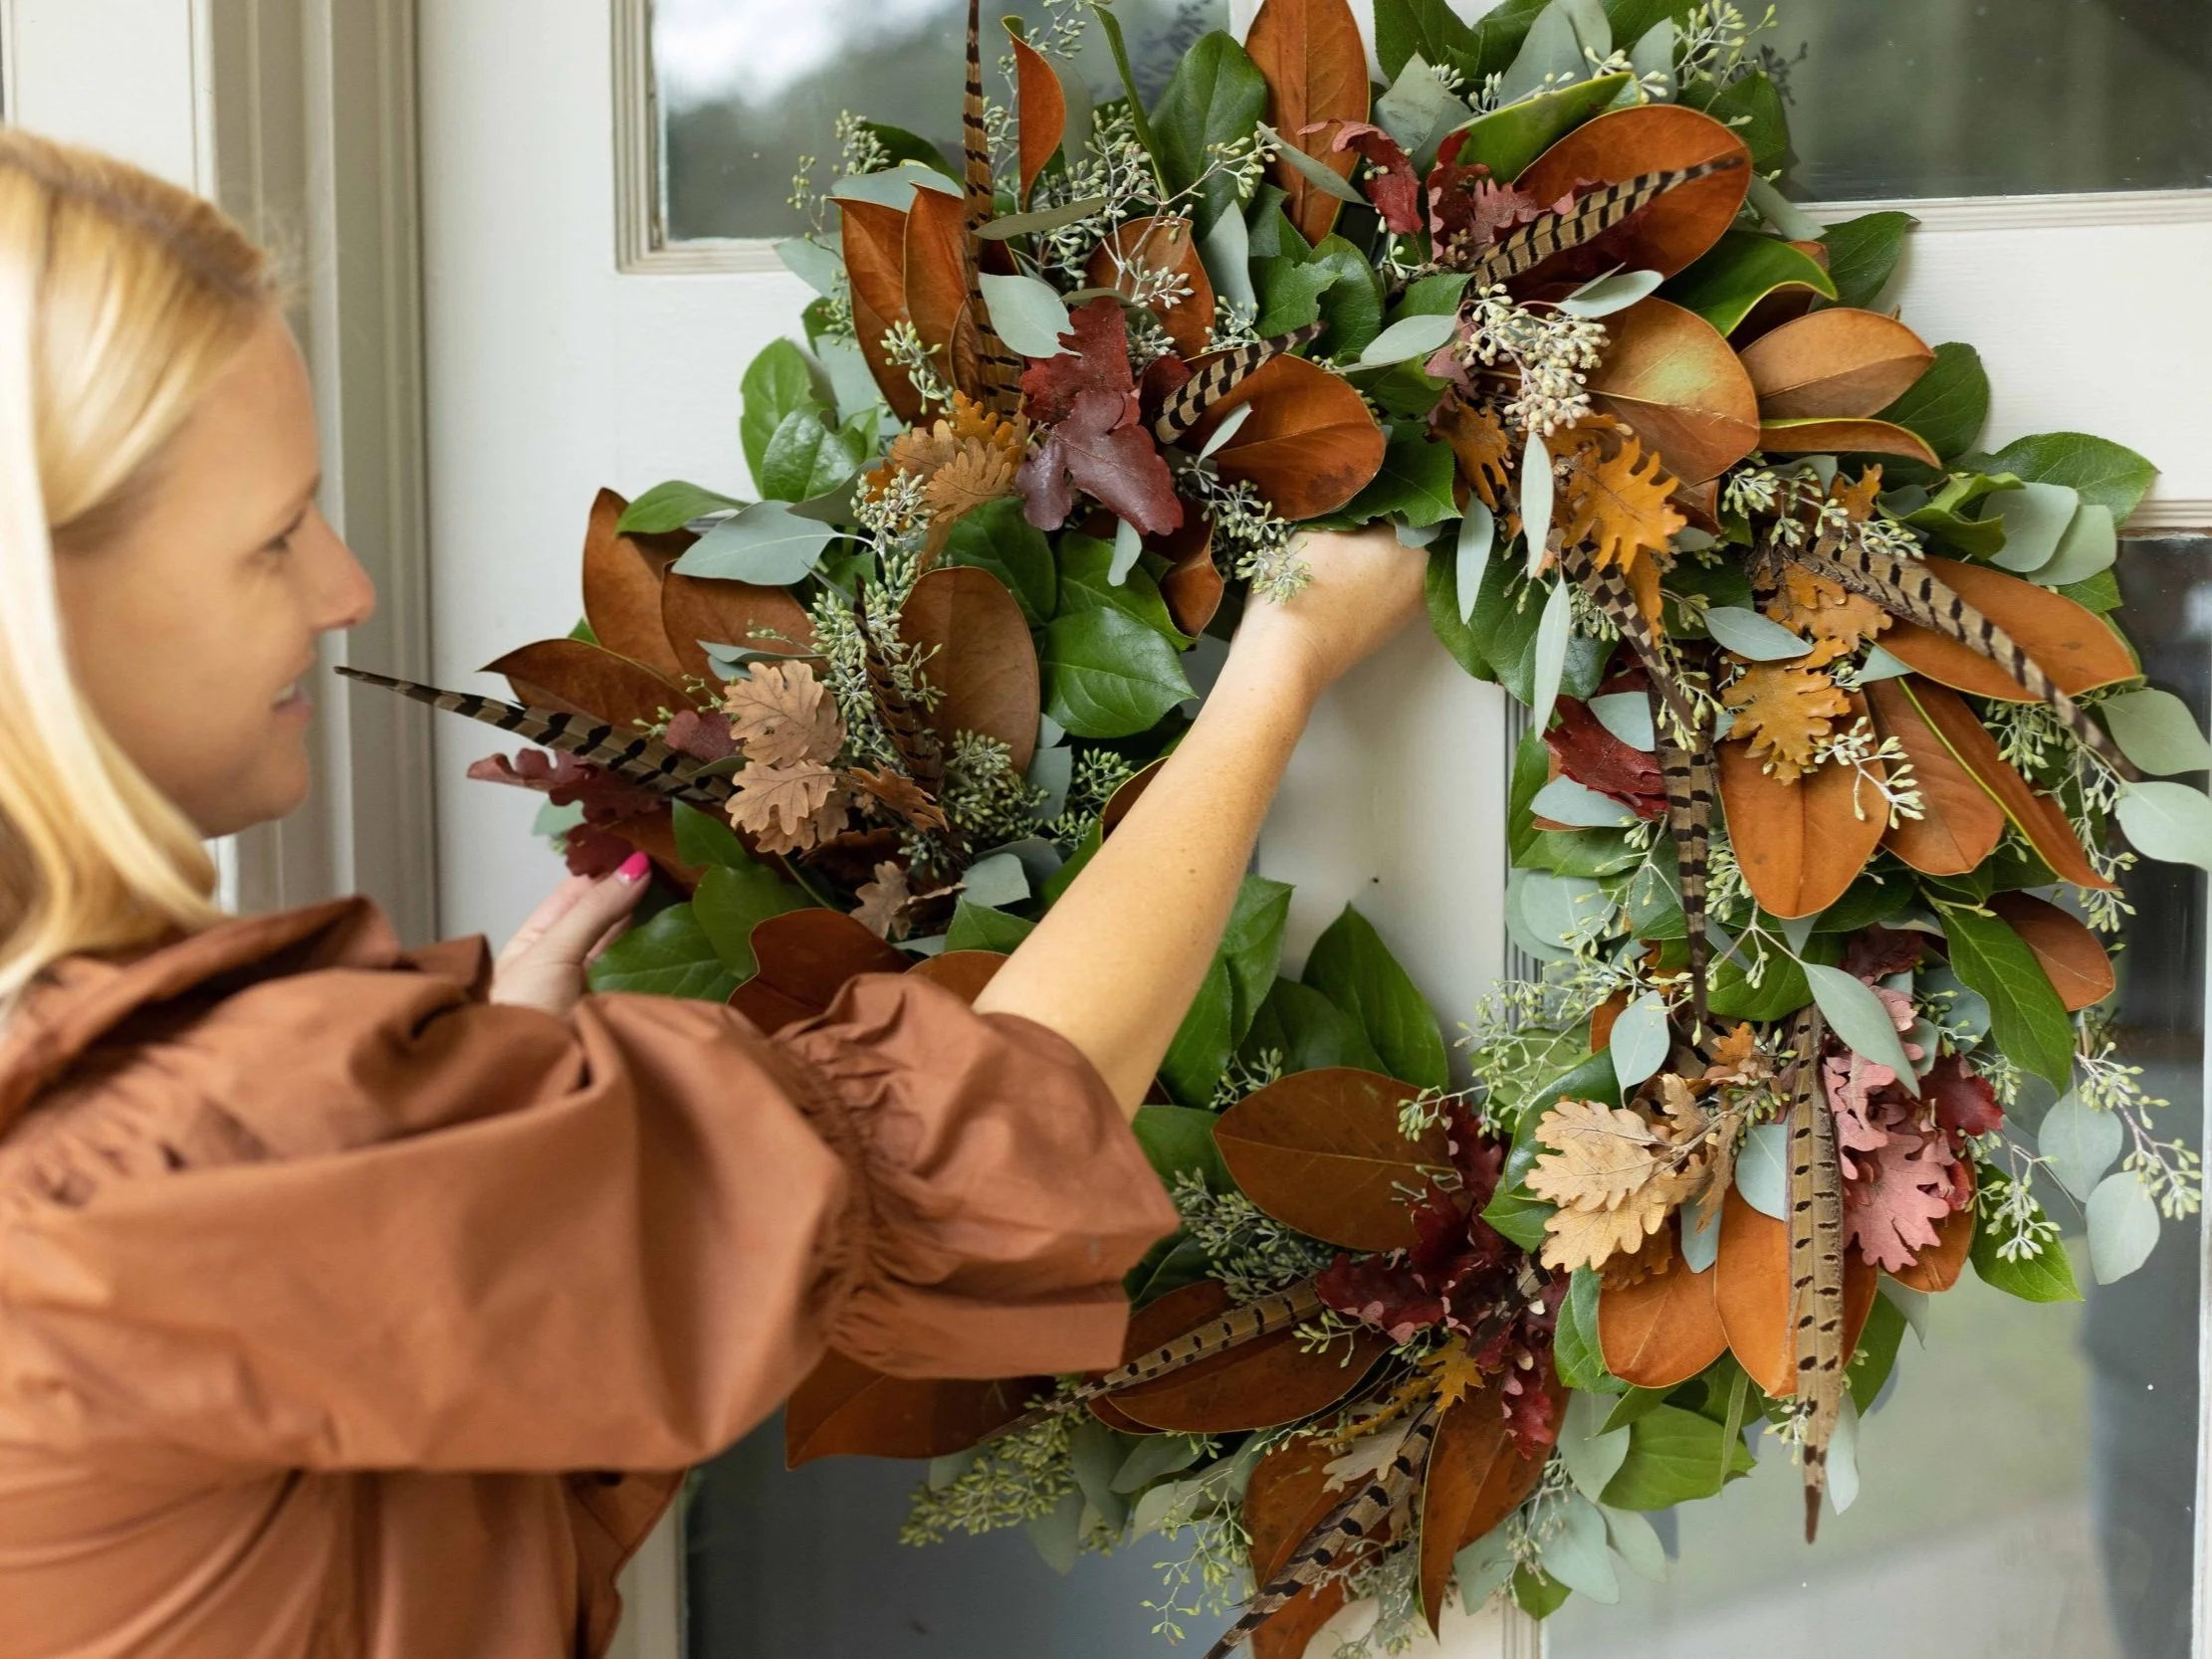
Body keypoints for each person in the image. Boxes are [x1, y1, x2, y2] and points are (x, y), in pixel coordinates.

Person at [0, 130, 1427, 1657]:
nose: (344, 587)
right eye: (270, 537)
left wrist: (479, 1196)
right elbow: (958, 1159)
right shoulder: (158, 1169)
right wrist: (1272, 676)